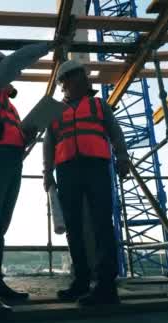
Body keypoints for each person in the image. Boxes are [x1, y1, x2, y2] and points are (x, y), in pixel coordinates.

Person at [0, 42, 57, 317]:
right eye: (3, 69)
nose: (11, 77)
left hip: (11, 158)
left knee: (0, 222)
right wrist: (51, 46)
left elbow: (8, 132)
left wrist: (26, 134)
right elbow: (14, 62)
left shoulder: (6, 104)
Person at [43, 59, 129, 306]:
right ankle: (80, 281)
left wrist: (122, 157)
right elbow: (48, 144)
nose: (82, 80)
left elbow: (115, 132)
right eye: (76, 77)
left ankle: (105, 286)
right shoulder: (54, 110)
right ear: (66, 82)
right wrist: (47, 172)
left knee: (102, 223)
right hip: (67, 170)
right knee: (74, 226)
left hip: (96, 168)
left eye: (82, 76)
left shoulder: (99, 105)